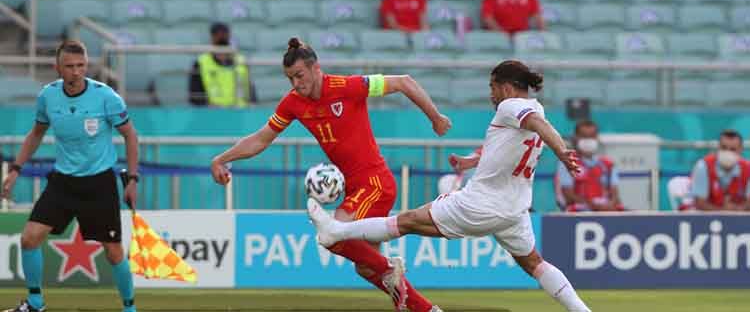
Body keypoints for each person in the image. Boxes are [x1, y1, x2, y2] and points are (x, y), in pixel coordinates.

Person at [307, 60, 591, 312]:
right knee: (534, 263)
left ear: (507, 87)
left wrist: (562, 152)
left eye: (493, 87)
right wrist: (470, 161)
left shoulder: (511, 106)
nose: (491, 94)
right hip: (515, 210)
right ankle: (580, 309)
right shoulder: (534, 108)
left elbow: (540, 126)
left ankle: (337, 230)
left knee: (406, 221)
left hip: (481, 203)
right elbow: (504, 147)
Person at [210, 38, 452, 312]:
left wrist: (435, 117)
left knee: (333, 233)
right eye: (290, 78)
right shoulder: (293, 103)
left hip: (375, 182)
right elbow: (261, 139)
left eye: (299, 75)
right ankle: (427, 310)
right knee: (364, 267)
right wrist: (223, 158)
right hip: (355, 187)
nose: (296, 84)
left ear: (316, 69)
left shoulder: (347, 86)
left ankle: (389, 267)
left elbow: (404, 81)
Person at [1, 40, 140, 312]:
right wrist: (15, 169)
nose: (76, 72)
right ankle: (35, 303)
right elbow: (36, 133)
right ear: (57, 68)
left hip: (99, 183)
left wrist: (133, 178)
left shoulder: (106, 97)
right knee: (29, 238)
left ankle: (129, 308)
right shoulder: (48, 96)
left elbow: (130, 136)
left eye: (81, 66)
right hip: (63, 182)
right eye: (70, 66)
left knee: (113, 253)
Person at [556, 119, 624, 212]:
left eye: (591, 136)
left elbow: (615, 196)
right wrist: (594, 206)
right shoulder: (568, 162)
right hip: (579, 211)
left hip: (607, 210)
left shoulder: (608, 164)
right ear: (576, 138)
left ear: (597, 138)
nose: (588, 140)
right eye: (584, 136)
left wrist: (609, 206)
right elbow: (568, 195)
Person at [189, 22, 256, 107]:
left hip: (240, 113)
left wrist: (252, 105)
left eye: (224, 34)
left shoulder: (241, 61)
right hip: (213, 115)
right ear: (212, 37)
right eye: (218, 35)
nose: (222, 37)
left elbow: (251, 90)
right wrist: (208, 106)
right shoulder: (201, 63)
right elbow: (195, 96)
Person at [688, 130, 750, 211]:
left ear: (740, 150)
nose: (727, 152)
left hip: (739, 219)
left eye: (732, 149)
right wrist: (723, 212)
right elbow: (700, 203)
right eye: (724, 148)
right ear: (718, 147)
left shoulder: (747, 168)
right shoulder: (703, 166)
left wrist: (737, 211)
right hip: (707, 219)